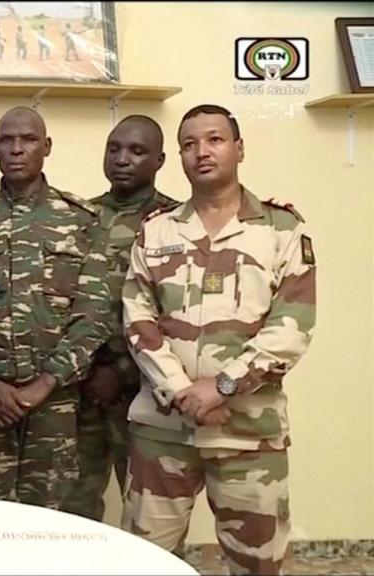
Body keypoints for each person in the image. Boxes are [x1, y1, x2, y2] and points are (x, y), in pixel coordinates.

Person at [121, 104, 316, 575]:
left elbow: (293, 323)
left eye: (214, 139)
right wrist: (181, 391)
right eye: (189, 144)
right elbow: (137, 316)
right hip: (163, 428)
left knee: (258, 565)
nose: (201, 152)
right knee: (141, 563)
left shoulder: (281, 229)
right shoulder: (156, 229)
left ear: (239, 148)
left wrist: (223, 385)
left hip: (248, 431)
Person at [0, 106, 112, 510]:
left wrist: (44, 384)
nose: (17, 149)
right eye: (7, 141)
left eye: (28, 140)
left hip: (56, 403)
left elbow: (94, 312)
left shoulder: (81, 220)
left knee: (52, 521)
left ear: (46, 147)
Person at [59, 115, 177, 521]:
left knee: (150, 509)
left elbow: (179, 314)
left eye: (137, 151)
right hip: (82, 387)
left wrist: (124, 371)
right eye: (114, 149)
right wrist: (87, 370)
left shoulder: (176, 224)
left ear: (160, 160)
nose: (122, 159)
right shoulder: (79, 218)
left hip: (146, 390)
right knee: (73, 504)